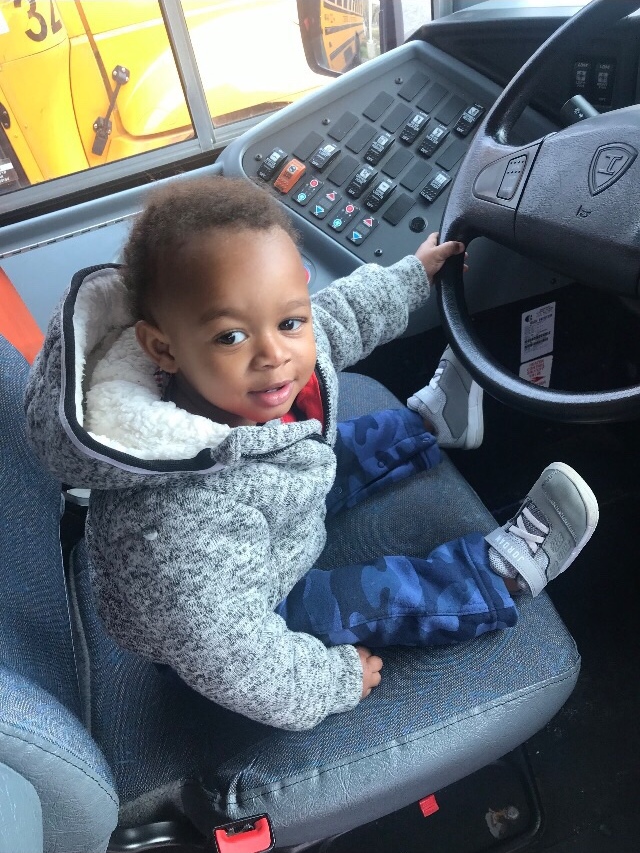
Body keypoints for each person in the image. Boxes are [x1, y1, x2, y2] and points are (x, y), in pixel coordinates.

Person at [24, 175, 599, 731]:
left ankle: (428, 424)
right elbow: (241, 665)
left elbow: (337, 317)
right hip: (243, 614)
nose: (274, 354)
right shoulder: (175, 530)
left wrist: (412, 276)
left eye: (289, 320)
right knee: (373, 595)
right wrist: (331, 682)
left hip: (272, 501)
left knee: (341, 442)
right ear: (162, 349)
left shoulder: (259, 359)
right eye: (230, 336)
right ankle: (500, 576)